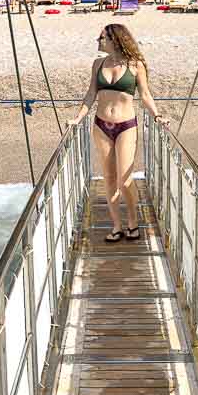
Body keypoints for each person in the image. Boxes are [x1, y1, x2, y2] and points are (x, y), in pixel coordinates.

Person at [67, 24, 166, 242]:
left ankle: (133, 221)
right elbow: (91, 94)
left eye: (102, 37)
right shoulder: (98, 64)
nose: (98, 41)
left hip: (126, 125)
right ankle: (117, 226)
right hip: (101, 125)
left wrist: (157, 115)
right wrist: (77, 118)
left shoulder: (135, 65)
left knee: (125, 179)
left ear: (115, 39)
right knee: (109, 178)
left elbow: (145, 95)